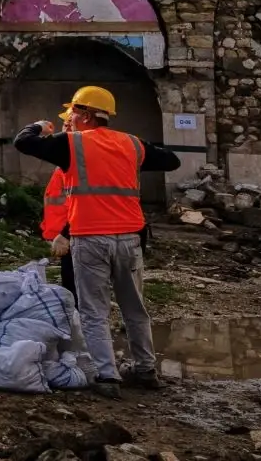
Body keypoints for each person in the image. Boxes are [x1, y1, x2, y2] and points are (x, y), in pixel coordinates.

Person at [14, 85, 179, 396]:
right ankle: (146, 370)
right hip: (130, 237)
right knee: (135, 308)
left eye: (74, 112)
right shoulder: (131, 144)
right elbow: (171, 161)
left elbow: (23, 142)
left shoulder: (71, 144)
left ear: (86, 115)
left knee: (94, 310)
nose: (70, 118)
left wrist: (40, 126)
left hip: (90, 238)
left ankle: (107, 376)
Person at [39, 108, 75, 294]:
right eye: (65, 123)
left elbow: (79, 202)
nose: (66, 127)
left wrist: (66, 234)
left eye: (70, 123)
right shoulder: (67, 155)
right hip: (65, 234)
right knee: (70, 280)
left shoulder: (77, 158)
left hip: (72, 234)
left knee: (74, 283)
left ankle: (80, 318)